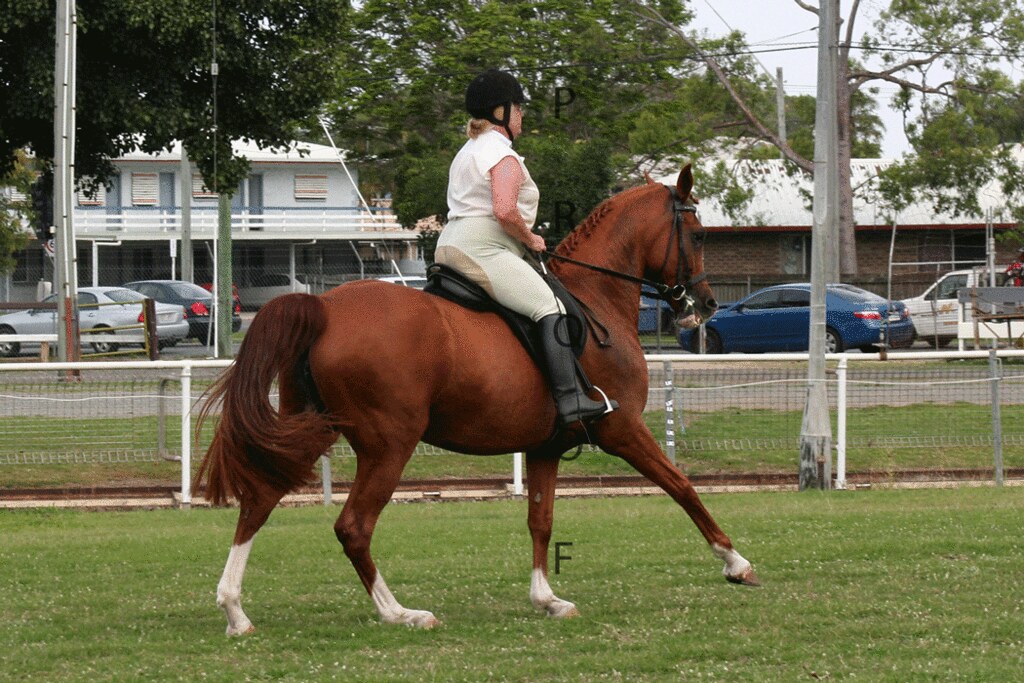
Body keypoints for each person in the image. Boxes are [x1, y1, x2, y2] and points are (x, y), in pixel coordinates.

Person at [434, 68, 617, 428]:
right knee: (549, 306)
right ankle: (571, 400)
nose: (522, 115)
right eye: (518, 108)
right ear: (501, 112)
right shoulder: (502, 154)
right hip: (483, 247)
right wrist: (530, 238)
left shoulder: (469, 150)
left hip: (453, 242)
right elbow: (504, 210)